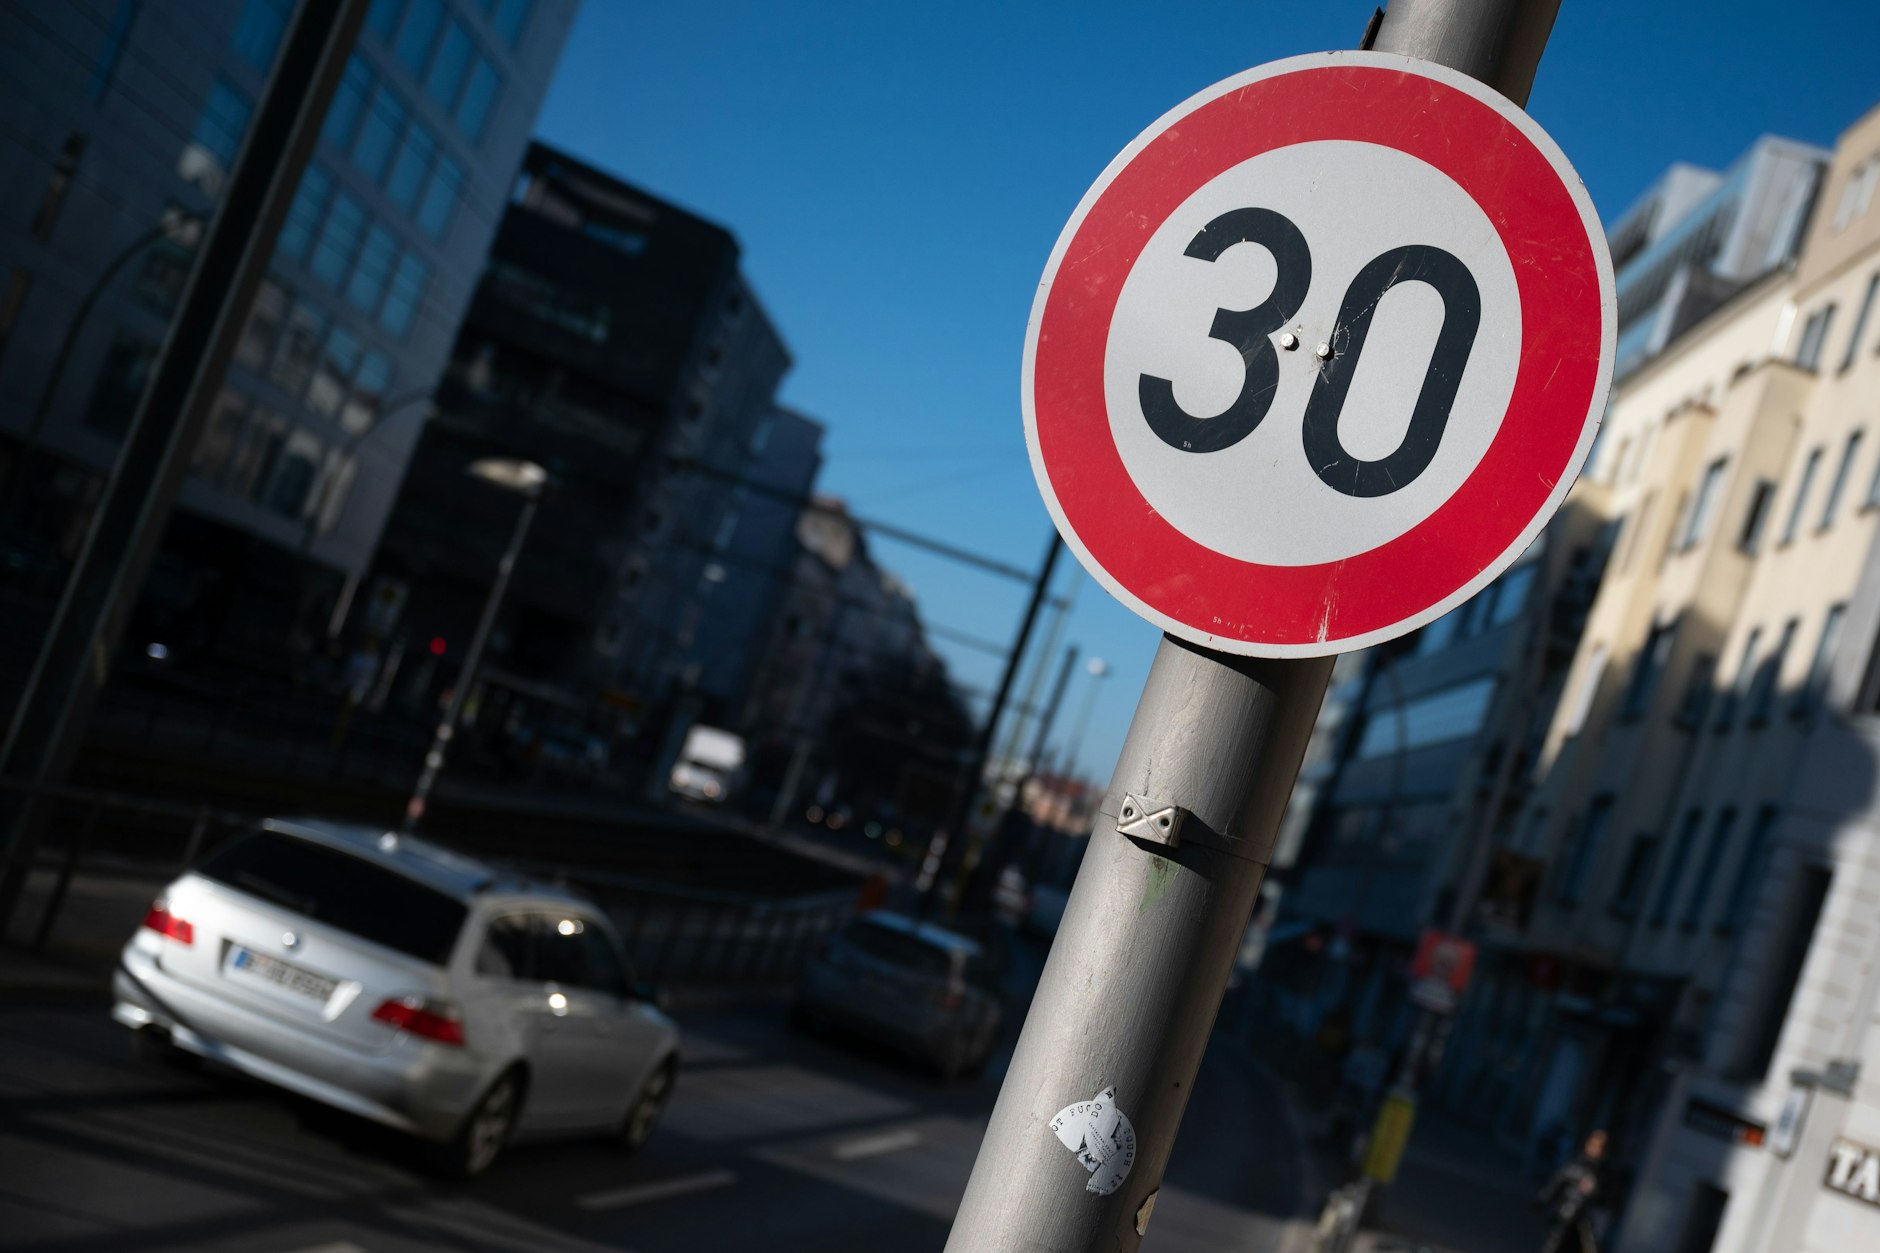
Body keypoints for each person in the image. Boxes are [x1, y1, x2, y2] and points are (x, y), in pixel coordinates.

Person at [1536, 1129, 1606, 1253]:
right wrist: (1543, 1200)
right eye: (1592, 1145)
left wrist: (1593, 1191)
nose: (1594, 1149)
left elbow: (1602, 1201)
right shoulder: (1576, 1163)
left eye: (1598, 1147)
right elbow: (1557, 1182)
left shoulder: (1601, 1173)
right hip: (1564, 1218)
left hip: (1582, 1226)